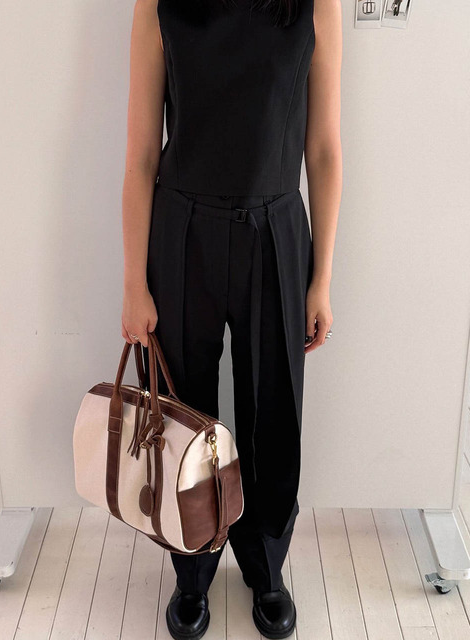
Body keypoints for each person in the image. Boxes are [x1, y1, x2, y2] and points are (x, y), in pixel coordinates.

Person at [121, 0, 342, 638]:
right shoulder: (158, 4)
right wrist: (133, 283)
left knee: (274, 412)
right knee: (182, 415)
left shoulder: (316, 4)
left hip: (276, 229)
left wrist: (322, 278)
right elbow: (141, 154)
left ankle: (266, 566)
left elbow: (323, 149)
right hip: (181, 231)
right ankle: (191, 570)